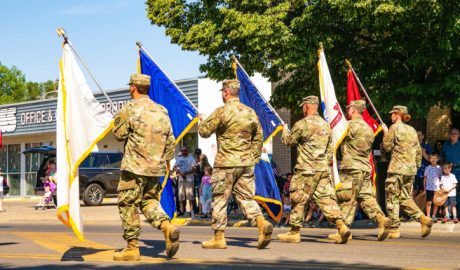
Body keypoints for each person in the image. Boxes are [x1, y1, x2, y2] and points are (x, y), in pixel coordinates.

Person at [198, 79, 273, 249]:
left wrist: (202, 121)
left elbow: (203, 132)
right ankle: (261, 224)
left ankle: (218, 237)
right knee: (246, 198)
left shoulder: (222, 112)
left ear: (225, 92)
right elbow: (259, 137)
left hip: (226, 164)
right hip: (246, 164)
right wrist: (252, 157)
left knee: (220, 200)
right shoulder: (250, 112)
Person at [112, 74, 179, 261]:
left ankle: (132, 248)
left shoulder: (130, 108)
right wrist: (165, 162)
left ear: (133, 87)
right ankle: (167, 227)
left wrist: (117, 119)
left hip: (134, 168)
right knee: (149, 202)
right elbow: (171, 140)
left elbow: (118, 134)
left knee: (128, 205)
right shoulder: (162, 110)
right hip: (155, 168)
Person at [277, 95, 351, 244]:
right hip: (322, 170)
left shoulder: (302, 124)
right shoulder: (326, 125)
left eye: (303, 106)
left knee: (298, 198)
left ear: (307, 106)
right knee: (326, 199)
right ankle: (342, 227)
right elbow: (331, 150)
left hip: (306, 170)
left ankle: (294, 232)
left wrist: (284, 130)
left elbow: (289, 141)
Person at [332, 100, 391, 242]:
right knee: (366, 197)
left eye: (348, 109)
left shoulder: (348, 126)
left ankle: (343, 231)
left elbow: (337, 142)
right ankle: (382, 219)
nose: (347, 112)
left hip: (351, 167)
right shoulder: (369, 128)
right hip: (365, 168)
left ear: (353, 110)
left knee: (347, 197)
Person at [382, 105, 433, 239]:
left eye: (392, 114)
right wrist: (415, 167)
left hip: (396, 169)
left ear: (397, 114)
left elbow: (386, 147)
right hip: (410, 170)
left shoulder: (394, 128)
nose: (391, 116)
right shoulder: (412, 130)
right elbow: (418, 152)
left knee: (392, 197)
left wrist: (385, 133)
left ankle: (394, 229)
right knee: (404, 198)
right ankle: (423, 219)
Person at [174, 146, 197, 218]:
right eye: (182, 150)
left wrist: (186, 173)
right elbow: (174, 167)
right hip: (181, 179)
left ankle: (191, 211)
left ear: (187, 151)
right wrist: (177, 170)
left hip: (189, 179)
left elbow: (194, 168)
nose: (184, 152)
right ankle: (182, 211)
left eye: (185, 150)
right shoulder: (179, 158)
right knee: (181, 196)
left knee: (190, 196)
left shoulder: (191, 158)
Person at [442, 128, 460, 208]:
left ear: (459, 135)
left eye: (455, 133)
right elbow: (442, 157)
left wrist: (456, 164)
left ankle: (458, 213)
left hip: (458, 171)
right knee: (447, 191)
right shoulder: (445, 145)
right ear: (449, 135)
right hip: (447, 172)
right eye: (452, 133)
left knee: (457, 191)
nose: (454, 135)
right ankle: (449, 214)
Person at [413, 131, 432, 198]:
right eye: (416, 135)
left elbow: (431, 160)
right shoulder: (411, 146)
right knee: (413, 190)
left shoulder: (427, 147)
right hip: (413, 172)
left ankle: (421, 208)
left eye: (419, 135)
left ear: (423, 136)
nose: (418, 136)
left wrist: (423, 152)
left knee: (422, 191)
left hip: (423, 173)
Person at [424, 153, 442, 222]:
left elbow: (440, 178)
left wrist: (440, 187)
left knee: (436, 202)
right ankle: (428, 216)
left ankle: (434, 215)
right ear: (429, 159)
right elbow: (425, 178)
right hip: (429, 188)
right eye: (432, 158)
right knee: (429, 202)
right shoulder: (427, 168)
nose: (433, 159)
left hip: (437, 188)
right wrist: (425, 189)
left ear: (437, 159)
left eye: (435, 158)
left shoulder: (439, 168)